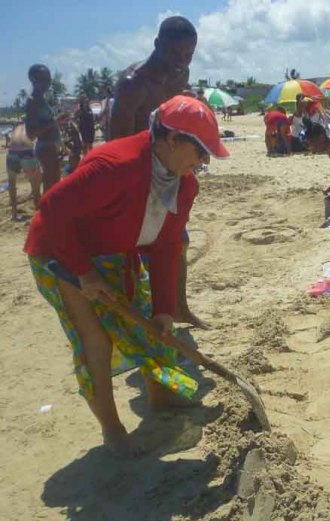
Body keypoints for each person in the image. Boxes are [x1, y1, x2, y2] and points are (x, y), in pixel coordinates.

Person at [23, 96, 229, 458]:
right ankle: (112, 430)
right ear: (171, 141)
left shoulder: (184, 185)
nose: (204, 161)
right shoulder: (115, 166)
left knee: (152, 325)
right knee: (96, 342)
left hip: (115, 250)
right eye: (200, 151)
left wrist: (166, 308)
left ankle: (161, 397)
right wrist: (84, 273)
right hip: (62, 251)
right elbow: (52, 210)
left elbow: (166, 246)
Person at [110, 16, 204, 329]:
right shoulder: (132, 84)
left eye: (188, 55)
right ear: (157, 45)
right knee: (138, 252)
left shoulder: (180, 75)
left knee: (179, 241)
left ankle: (179, 308)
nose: (181, 62)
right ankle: (144, 321)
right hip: (135, 174)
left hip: (170, 169)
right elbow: (116, 145)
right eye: (176, 53)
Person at [24, 64, 61, 194]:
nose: (49, 82)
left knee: (54, 185)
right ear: (34, 80)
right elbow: (31, 134)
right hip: (46, 148)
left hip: (50, 147)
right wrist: (56, 121)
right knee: (51, 187)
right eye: (45, 79)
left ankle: (51, 212)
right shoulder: (32, 101)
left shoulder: (41, 99)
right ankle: (47, 213)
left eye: (49, 79)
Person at [5, 124, 42, 220]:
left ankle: (14, 214)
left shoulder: (15, 129)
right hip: (27, 152)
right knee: (35, 186)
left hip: (12, 152)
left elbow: (9, 141)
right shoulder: (31, 126)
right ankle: (37, 212)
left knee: (11, 184)